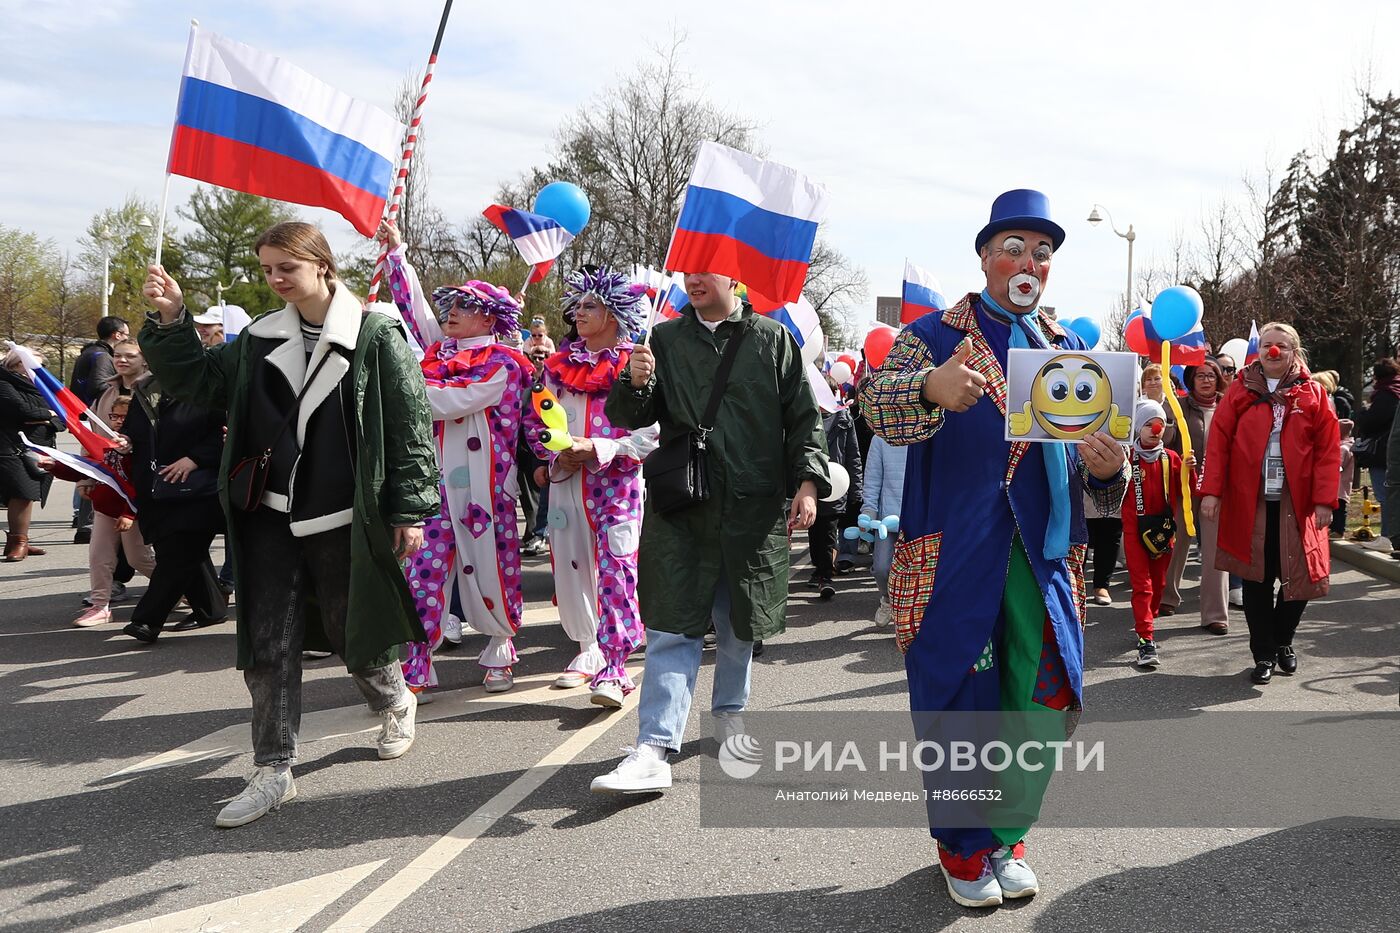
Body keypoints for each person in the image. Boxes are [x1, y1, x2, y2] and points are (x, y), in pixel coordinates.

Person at [862, 190, 1128, 908]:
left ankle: (1008, 835)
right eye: (1015, 246)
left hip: (1041, 560)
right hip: (954, 555)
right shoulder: (934, 335)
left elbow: (1099, 478)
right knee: (962, 700)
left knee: (1039, 698)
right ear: (985, 256)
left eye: (1043, 252)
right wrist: (927, 386)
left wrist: (1107, 466)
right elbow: (876, 405)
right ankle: (963, 846)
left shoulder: (1069, 350)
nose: (1029, 262)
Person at [139, 220, 439, 828]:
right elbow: (197, 381)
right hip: (268, 517)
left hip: (345, 516)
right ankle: (273, 769)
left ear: (322, 266)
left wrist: (410, 510)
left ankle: (394, 697)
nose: (275, 280)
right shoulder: (257, 337)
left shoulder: (377, 335)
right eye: (267, 269)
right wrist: (171, 321)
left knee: (355, 633)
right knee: (269, 644)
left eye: (286, 268)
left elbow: (409, 426)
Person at [590, 269, 829, 794]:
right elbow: (629, 416)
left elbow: (803, 420)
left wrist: (808, 483)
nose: (694, 280)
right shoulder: (665, 337)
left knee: (737, 621)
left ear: (734, 277)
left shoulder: (772, 340)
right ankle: (653, 746)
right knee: (673, 625)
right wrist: (636, 381)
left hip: (753, 509)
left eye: (706, 270)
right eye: (689, 270)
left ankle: (728, 715)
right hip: (683, 508)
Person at [382, 224, 532, 695]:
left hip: (486, 491)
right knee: (422, 571)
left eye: (466, 307)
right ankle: (416, 666)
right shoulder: (437, 351)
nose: (453, 313)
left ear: (489, 320)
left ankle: (500, 650)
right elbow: (415, 311)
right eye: (454, 305)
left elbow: (452, 401)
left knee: (493, 568)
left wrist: (400, 388)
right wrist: (396, 251)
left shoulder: (503, 363)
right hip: (435, 487)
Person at [524, 265, 658, 706]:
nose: (577, 312)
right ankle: (588, 649)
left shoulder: (634, 365)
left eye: (589, 306)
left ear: (615, 313)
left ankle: (616, 669)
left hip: (616, 488)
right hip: (566, 486)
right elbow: (535, 419)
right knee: (570, 569)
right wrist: (551, 453)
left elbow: (652, 433)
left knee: (617, 572)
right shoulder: (558, 367)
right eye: (577, 305)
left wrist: (599, 449)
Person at [1201, 322, 1339, 686]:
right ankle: (1263, 654)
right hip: (1251, 503)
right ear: (1258, 350)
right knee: (1255, 581)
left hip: (1298, 504)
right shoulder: (1238, 391)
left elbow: (1327, 451)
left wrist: (1326, 500)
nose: (1271, 351)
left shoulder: (1313, 394)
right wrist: (1212, 491)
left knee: (1302, 577)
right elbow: (1219, 443)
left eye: (1280, 345)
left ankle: (1283, 641)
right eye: (1266, 345)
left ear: (1294, 352)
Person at [116, 353, 227, 641]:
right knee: (179, 551)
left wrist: (195, 459)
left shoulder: (208, 389)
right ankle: (212, 608)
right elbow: (136, 431)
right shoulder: (144, 390)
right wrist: (125, 441)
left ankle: (147, 621)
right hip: (155, 487)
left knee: (179, 554)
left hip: (196, 488)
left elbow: (226, 434)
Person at [71, 394, 156, 626]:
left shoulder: (139, 447)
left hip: (130, 512)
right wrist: (56, 466)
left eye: (123, 417)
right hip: (105, 509)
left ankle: (177, 589)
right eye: (114, 416)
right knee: (99, 557)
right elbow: (88, 466)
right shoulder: (104, 442)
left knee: (139, 558)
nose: (117, 421)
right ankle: (100, 606)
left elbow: (139, 485)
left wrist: (129, 513)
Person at [1121, 398, 1193, 667]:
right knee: (1143, 586)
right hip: (1134, 531)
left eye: (1160, 424)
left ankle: (1146, 620)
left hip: (1163, 532)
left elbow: (1189, 491)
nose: (1155, 429)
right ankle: (1146, 638)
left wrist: (1189, 470)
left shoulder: (1172, 458)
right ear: (1138, 427)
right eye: (1149, 424)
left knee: (1159, 585)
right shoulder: (1126, 457)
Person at [1160, 357, 1230, 633]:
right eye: (1199, 375)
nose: (1206, 380)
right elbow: (1162, 443)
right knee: (1176, 545)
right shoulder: (1176, 406)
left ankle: (1215, 614)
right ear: (1190, 380)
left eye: (1211, 375)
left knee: (1215, 551)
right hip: (1183, 487)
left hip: (1217, 489)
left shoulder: (1229, 406)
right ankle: (1166, 597)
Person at [69, 316, 129, 544]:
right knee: (98, 466)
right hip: (99, 418)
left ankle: (83, 520)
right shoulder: (102, 356)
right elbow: (98, 385)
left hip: (90, 417)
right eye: (125, 334)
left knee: (94, 467)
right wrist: (120, 394)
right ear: (116, 335)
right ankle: (85, 523)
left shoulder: (90, 352)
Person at [0, 346, 59, 561]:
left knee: (29, 494)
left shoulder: (42, 387)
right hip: (12, 447)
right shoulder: (4, 383)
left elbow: (61, 418)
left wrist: (46, 417)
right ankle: (19, 542)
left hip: (40, 448)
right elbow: (23, 411)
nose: (39, 370)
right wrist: (47, 414)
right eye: (34, 365)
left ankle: (19, 540)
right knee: (21, 493)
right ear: (17, 365)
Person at [809, 399, 862, 600]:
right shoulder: (808, 416)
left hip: (836, 486)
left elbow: (853, 456)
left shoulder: (844, 420)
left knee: (828, 534)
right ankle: (820, 569)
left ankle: (825, 577)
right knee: (815, 533)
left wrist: (857, 490)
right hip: (812, 483)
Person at [859, 432, 907, 626]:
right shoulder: (880, 438)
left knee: (914, 572)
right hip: (887, 518)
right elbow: (872, 478)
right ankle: (887, 600)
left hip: (919, 516)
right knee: (881, 568)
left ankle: (907, 615)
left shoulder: (927, 434)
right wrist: (868, 511)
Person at [1353, 358, 1398, 535]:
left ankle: (1388, 536)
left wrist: (1363, 413)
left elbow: (1372, 421)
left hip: (1382, 452)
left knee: (1385, 495)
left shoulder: (1386, 394)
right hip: (1391, 450)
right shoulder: (1396, 390)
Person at [1139, 364, 1176, 448]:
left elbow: (1169, 439)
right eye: (1149, 379)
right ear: (1143, 384)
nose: (1153, 382)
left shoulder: (1171, 403)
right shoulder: (1138, 404)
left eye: (1157, 379)